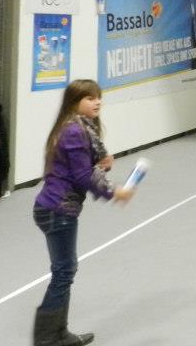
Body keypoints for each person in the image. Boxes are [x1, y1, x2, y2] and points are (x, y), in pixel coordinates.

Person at [33, 79, 133, 346]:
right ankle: (47, 338)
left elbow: (81, 169)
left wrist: (101, 165)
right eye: (89, 98)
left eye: (98, 97)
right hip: (58, 210)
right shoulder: (75, 131)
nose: (97, 102)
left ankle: (59, 333)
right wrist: (115, 192)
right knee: (64, 272)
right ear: (74, 102)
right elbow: (81, 177)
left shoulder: (77, 128)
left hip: (54, 208)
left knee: (65, 270)